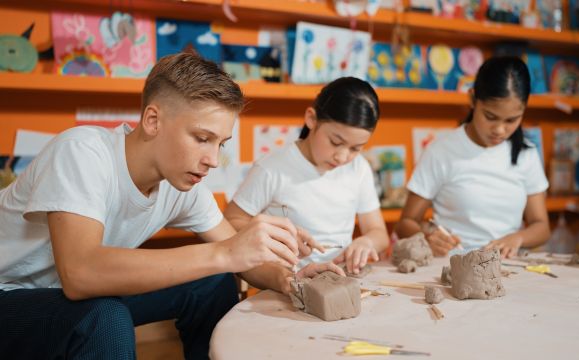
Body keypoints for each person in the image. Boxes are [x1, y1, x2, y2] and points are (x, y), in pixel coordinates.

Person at [0, 53, 332, 359]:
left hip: (67, 296)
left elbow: (237, 255)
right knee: (103, 316)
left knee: (214, 283)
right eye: (202, 138)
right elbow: (80, 274)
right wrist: (226, 253)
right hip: (10, 296)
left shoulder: (181, 180)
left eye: (220, 143)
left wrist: (290, 278)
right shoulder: (82, 151)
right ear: (153, 120)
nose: (213, 160)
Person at [224, 77, 390, 283]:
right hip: (287, 283)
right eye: (335, 142)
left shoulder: (359, 169)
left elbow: (379, 233)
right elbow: (231, 222)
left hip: (340, 281)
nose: (343, 157)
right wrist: (275, 236)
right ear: (311, 119)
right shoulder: (273, 168)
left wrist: (367, 242)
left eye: (355, 148)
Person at [395, 56, 550, 259]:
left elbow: (541, 226)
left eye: (512, 120)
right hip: (453, 265)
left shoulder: (526, 154)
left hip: (506, 268)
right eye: (490, 117)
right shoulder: (441, 151)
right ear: (472, 99)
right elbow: (405, 223)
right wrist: (428, 236)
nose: (500, 130)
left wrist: (518, 238)